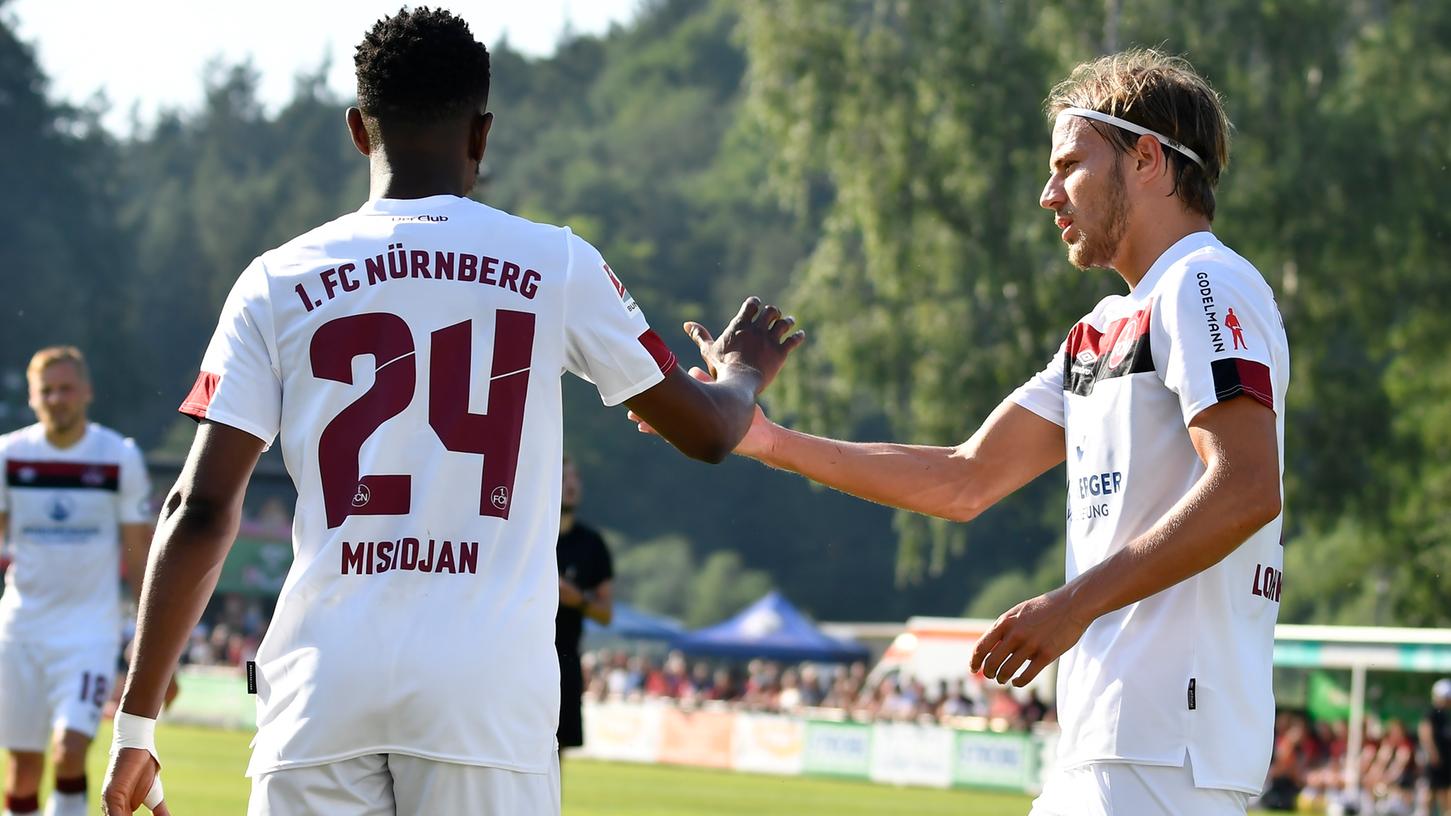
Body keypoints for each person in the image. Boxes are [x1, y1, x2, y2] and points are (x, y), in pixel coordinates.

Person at [101, 8, 802, 816]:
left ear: (359, 131)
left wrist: (136, 725)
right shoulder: (557, 262)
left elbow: (200, 506)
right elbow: (709, 432)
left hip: (321, 685)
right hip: (486, 695)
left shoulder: (275, 279)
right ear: (482, 134)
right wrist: (743, 372)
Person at [636, 48, 1287, 815]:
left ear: (1146, 158)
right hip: (1109, 743)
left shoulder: (1203, 280)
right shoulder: (1102, 326)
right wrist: (759, 437)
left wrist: (1073, 603)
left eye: (1069, 164)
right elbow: (963, 476)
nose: (1048, 194)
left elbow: (1246, 486)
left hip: (1169, 747)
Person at [0, 347, 155, 816]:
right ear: (32, 398)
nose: (57, 399)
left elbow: (141, 557)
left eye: (66, 389)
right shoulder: (10, 455)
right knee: (23, 769)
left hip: (88, 633)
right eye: (46, 391)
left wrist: (151, 654)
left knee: (69, 750)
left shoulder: (118, 457)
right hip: (20, 630)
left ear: (86, 392)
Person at [554, 455, 614, 759]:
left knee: (557, 753)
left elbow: (605, 613)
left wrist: (577, 599)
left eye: (575, 478)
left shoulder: (592, 544)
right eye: (563, 478)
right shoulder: (529, 534)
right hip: (519, 656)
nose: (572, 485)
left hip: (565, 660)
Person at [1421, 679, 1451, 816]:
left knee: (1445, 790)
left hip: (1445, 759)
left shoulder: (1444, 715)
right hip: (1437, 760)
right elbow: (1425, 732)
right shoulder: (1432, 713)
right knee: (1432, 790)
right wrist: (1433, 753)